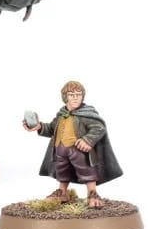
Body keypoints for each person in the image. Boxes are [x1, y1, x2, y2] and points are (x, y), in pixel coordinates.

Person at [24, 80, 123, 209]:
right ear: (65, 97)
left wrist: (88, 140)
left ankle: (92, 194)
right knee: (62, 171)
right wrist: (39, 126)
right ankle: (62, 193)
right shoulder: (61, 114)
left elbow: (99, 128)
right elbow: (52, 129)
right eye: (71, 95)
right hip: (60, 149)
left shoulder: (87, 113)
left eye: (78, 94)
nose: (75, 97)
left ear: (82, 96)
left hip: (79, 150)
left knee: (87, 171)